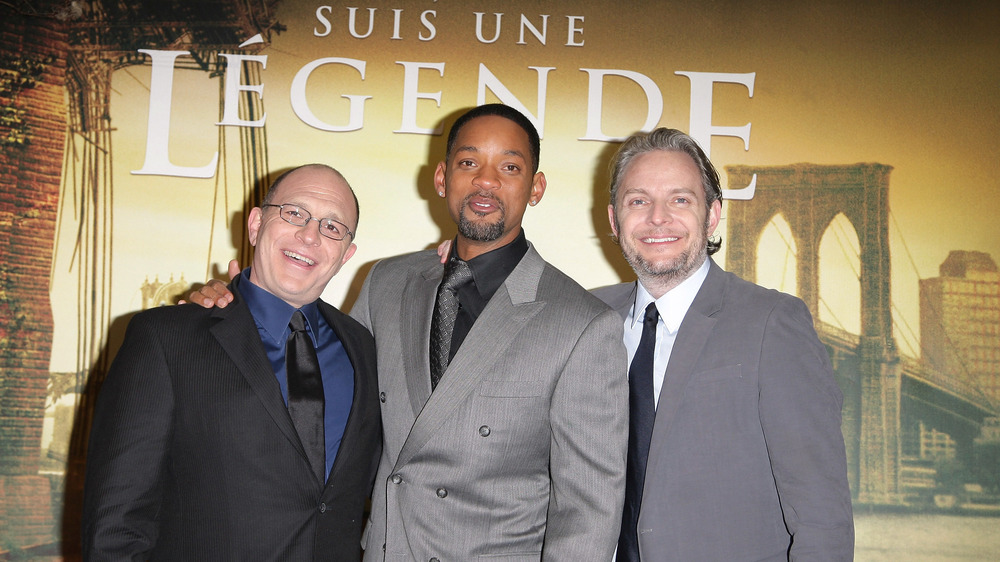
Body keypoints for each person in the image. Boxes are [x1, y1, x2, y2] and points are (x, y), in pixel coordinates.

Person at [189, 105, 629, 561]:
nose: (486, 180)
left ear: (535, 188)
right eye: (468, 162)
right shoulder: (388, 282)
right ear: (442, 178)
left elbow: (589, 512)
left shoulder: (582, 325)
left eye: (510, 167)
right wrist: (238, 307)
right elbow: (319, 387)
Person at [82, 164, 381, 561]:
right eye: (294, 213)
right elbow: (115, 525)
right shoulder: (166, 338)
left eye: (332, 227)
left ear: (346, 253)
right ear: (256, 224)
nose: (310, 235)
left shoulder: (363, 347)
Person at [592, 128, 854, 561]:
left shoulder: (773, 323)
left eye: (680, 200)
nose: (658, 218)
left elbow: (820, 515)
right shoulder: (588, 317)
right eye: (638, 201)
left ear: (712, 215)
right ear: (614, 219)